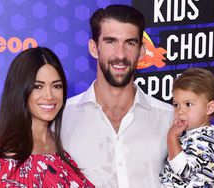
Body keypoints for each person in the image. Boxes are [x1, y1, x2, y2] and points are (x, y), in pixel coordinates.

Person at [61, 4, 173, 188]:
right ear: (93, 48)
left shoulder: (169, 118)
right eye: (110, 41)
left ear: (142, 51)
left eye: (130, 43)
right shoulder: (63, 119)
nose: (120, 54)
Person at [0, 47, 94, 187]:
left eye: (56, 86)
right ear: (20, 91)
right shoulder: (5, 163)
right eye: (38, 87)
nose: (49, 96)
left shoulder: (59, 141)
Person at [159, 68, 214, 187]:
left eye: (188, 104)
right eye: (176, 105)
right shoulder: (189, 133)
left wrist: (171, 137)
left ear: (209, 108)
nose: (180, 111)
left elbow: (184, 170)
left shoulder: (207, 139)